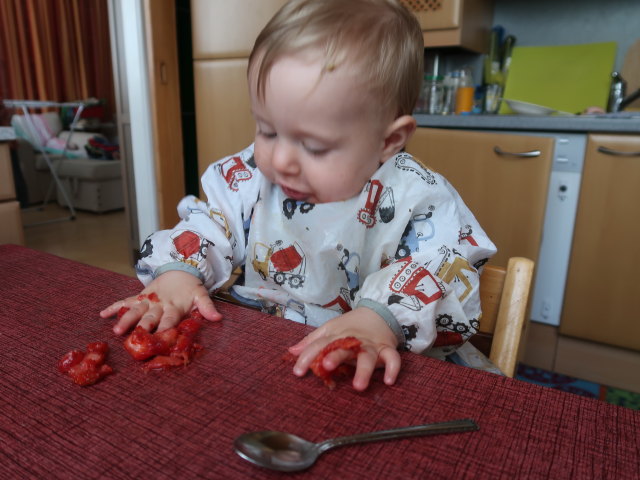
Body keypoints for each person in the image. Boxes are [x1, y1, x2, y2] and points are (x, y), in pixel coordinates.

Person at [100, 0, 496, 390]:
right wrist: (178, 273)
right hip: (264, 355)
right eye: (267, 131)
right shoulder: (254, 177)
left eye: (315, 146)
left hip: (374, 367)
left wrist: (378, 319)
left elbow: (439, 269)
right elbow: (212, 223)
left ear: (388, 140)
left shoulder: (418, 196)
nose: (282, 160)